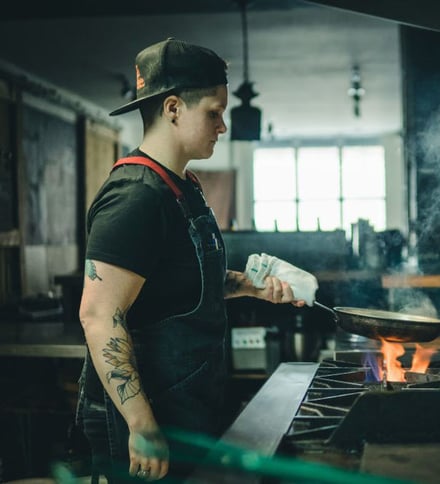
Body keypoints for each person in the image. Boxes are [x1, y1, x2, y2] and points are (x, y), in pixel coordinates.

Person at [75, 37, 317, 483]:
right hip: (146, 416)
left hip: (186, 405)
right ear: (172, 109)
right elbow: (98, 314)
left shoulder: (182, 187)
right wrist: (141, 423)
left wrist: (248, 285)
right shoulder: (135, 196)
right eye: (213, 112)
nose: (222, 126)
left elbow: (181, 282)